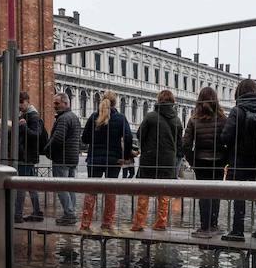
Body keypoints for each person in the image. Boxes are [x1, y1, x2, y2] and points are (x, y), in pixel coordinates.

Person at [220, 78, 256, 242]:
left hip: (239, 159)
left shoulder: (237, 110)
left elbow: (226, 136)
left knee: (239, 196)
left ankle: (238, 230)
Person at [79, 90, 133, 231]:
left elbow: (84, 138)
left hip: (94, 159)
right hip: (113, 160)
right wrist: (125, 157)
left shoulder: (93, 116)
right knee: (110, 192)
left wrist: (95, 139)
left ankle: (85, 224)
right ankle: (107, 223)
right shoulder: (121, 118)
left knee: (91, 191)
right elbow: (128, 138)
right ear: (115, 103)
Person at [131, 90, 180, 232]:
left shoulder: (151, 117)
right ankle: (161, 223)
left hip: (149, 159)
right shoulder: (176, 120)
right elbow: (178, 142)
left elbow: (140, 134)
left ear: (158, 101)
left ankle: (139, 223)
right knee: (163, 193)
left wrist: (147, 147)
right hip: (168, 161)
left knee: (144, 191)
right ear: (173, 102)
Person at [182, 86, 228, 238]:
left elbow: (186, 144)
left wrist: (193, 161)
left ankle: (204, 226)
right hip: (218, 161)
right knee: (215, 193)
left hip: (201, 161)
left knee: (203, 194)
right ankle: (213, 225)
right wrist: (225, 159)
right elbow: (228, 141)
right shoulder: (222, 119)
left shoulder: (194, 119)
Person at [46, 92, 82, 225]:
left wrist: (47, 150)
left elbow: (58, 139)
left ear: (65, 103)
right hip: (72, 158)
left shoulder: (63, 118)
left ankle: (69, 214)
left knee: (61, 187)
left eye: (57, 103)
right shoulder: (74, 117)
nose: (54, 106)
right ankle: (71, 212)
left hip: (62, 158)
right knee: (70, 187)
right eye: (54, 103)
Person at [14, 91, 47, 222]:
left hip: (27, 156)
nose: (19, 105)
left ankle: (17, 214)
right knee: (30, 185)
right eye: (18, 103)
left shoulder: (33, 116)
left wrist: (23, 127)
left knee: (21, 186)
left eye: (21, 103)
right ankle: (37, 212)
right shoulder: (24, 115)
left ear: (28, 101)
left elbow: (36, 135)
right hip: (26, 155)